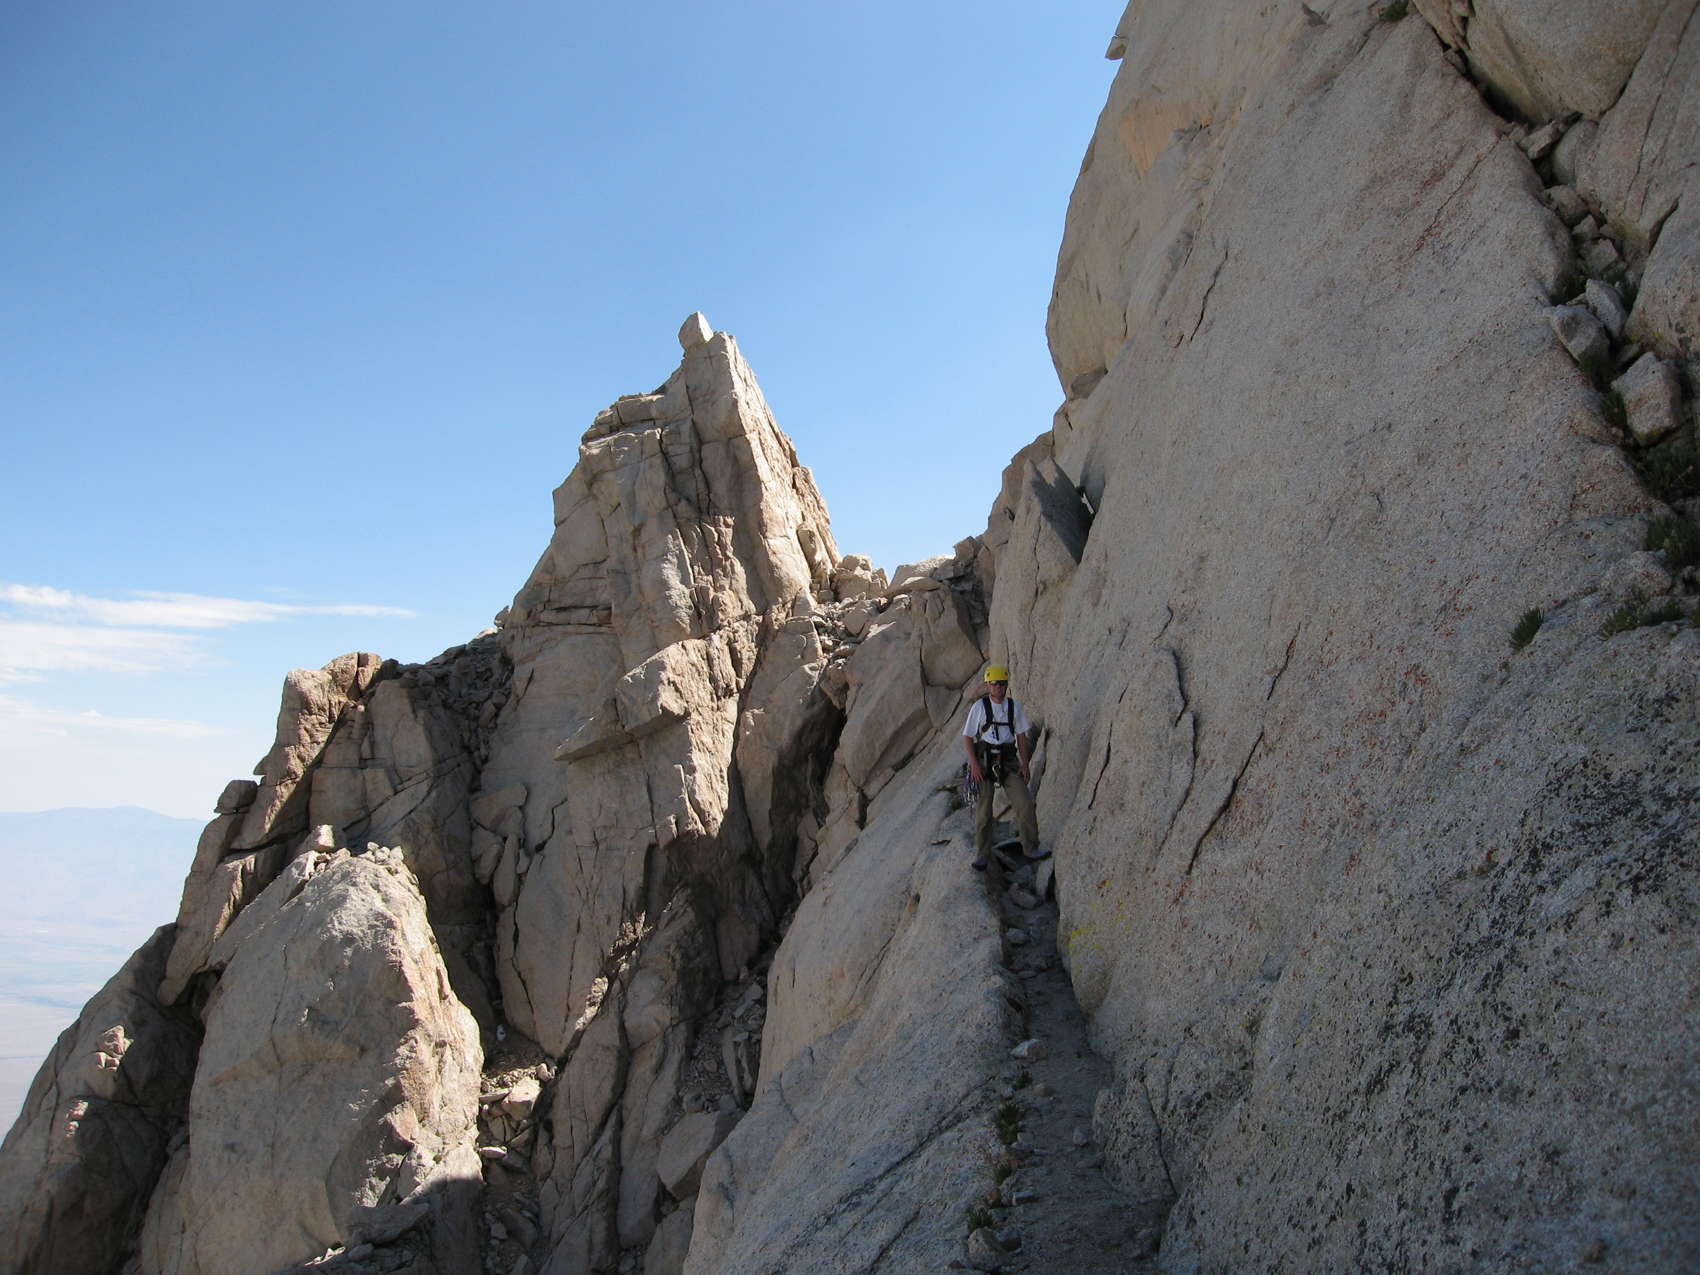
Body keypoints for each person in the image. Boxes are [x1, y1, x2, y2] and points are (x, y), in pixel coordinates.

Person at [962, 664, 1047, 870]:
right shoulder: (979, 707)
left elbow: (1021, 736)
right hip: (984, 762)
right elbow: (968, 736)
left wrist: (1025, 764)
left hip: (1008, 760)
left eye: (1001, 683)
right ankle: (982, 855)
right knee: (984, 813)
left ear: (1006, 685)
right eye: (994, 684)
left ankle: (1031, 848)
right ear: (988, 685)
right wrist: (974, 764)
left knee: (1025, 804)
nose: (998, 687)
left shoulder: (1014, 706)